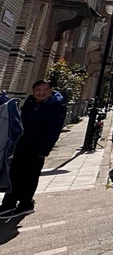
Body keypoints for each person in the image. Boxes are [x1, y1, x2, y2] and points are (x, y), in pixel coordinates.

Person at [0, 80, 67, 220]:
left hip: (37, 148)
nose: (41, 93)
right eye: (38, 90)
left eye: (45, 90)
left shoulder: (56, 105)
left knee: (29, 176)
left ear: (50, 91)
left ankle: (26, 204)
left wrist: (44, 149)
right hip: (22, 145)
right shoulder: (30, 102)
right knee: (14, 173)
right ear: (33, 90)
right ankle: (9, 203)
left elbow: (54, 130)